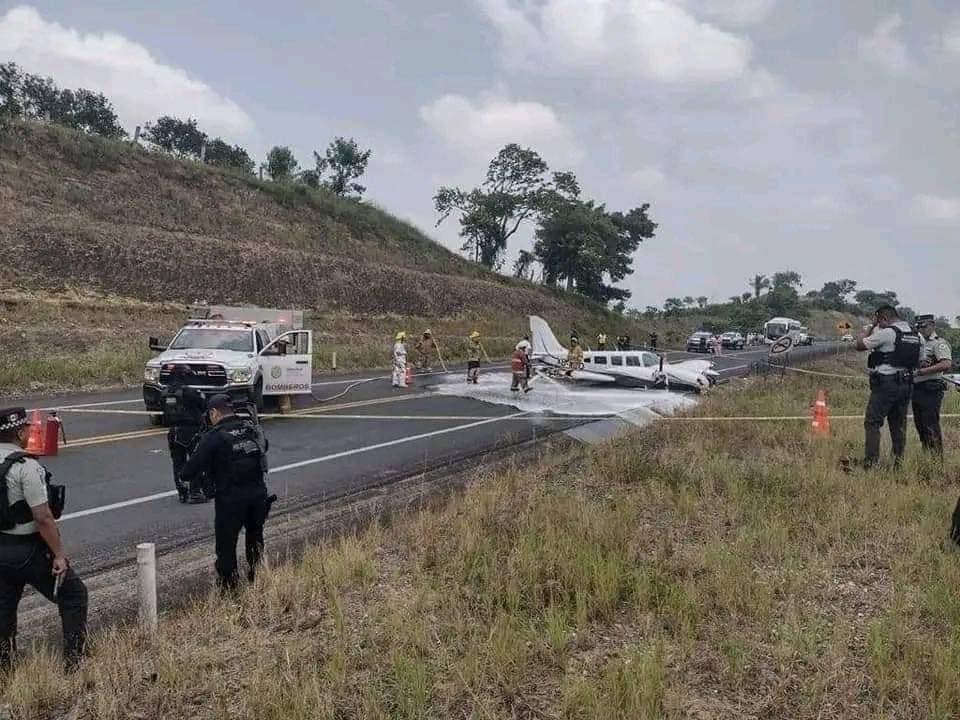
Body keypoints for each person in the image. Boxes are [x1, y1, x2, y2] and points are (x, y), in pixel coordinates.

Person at [0, 408, 86, 671]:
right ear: (19, 432)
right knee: (73, 595)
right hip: (28, 549)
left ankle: (5, 670)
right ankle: (74, 661)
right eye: (27, 428)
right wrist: (59, 555)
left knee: (4, 611)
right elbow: (43, 517)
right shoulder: (26, 466)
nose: (30, 431)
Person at [179, 395, 273, 591]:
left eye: (209, 415)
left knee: (226, 547)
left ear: (214, 413)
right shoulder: (250, 429)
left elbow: (187, 472)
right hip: (258, 496)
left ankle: (230, 589)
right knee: (255, 539)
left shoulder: (214, 437)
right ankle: (259, 581)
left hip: (231, 501)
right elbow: (264, 447)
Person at [855, 305, 921, 468]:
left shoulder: (887, 333)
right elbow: (921, 358)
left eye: (879, 321)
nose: (879, 324)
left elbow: (859, 345)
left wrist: (870, 327)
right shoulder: (915, 334)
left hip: (886, 383)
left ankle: (871, 463)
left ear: (884, 318)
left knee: (872, 422)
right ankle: (897, 463)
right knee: (898, 424)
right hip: (906, 383)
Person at [164, 365, 208, 503]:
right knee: (195, 461)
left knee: (178, 463)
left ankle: (182, 492)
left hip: (173, 431)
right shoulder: (190, 392)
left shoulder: (166, 392)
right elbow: (203, 406)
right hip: (191, 431)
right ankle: (195, 492)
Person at [912, 314, 953, 456]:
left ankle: (936, 459)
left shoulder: (938, 343)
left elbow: (946, 363)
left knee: (931, 425)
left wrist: (923, 371)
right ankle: (927, 456)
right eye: (918, 327)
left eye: (923, 326)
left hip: (931, 388)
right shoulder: (919, 343)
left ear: (932, 325)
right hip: (917, 388)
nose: (921, 329)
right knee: (920, 425)